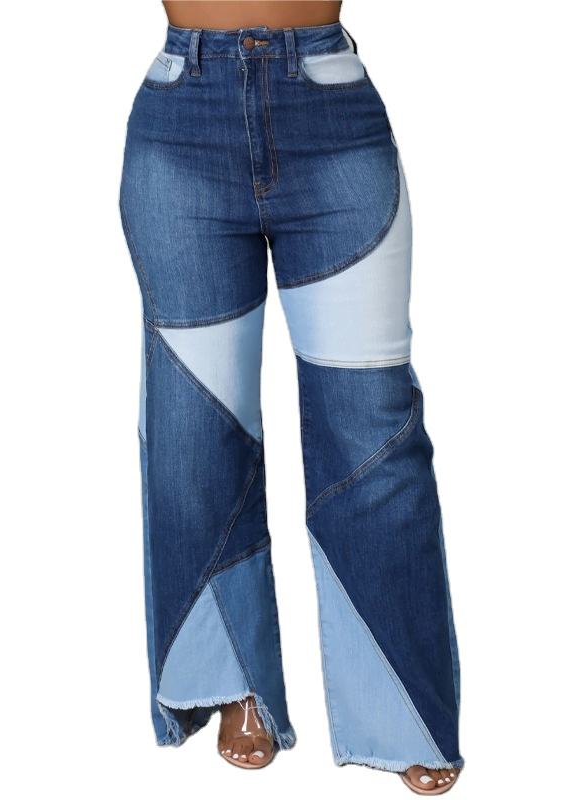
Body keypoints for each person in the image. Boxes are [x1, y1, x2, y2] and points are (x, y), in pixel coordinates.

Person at [119, 1, 463, 793]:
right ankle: (236, 682)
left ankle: (403, 710)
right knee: (195, 428)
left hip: (330, 109)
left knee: (373, 427)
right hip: (181, 118)